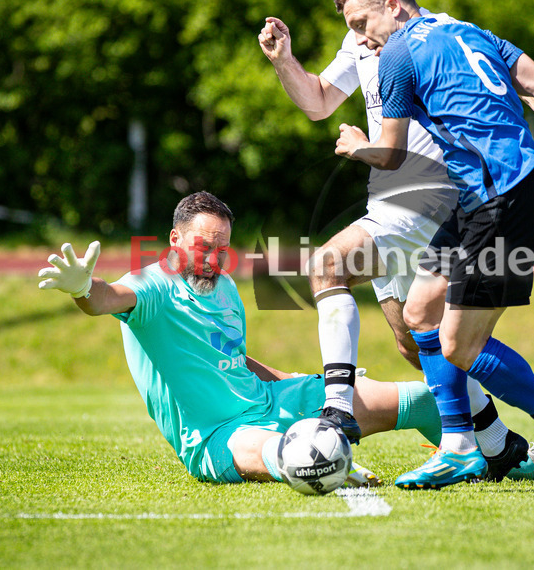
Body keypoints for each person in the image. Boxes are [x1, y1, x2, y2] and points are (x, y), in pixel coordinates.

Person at [258, 0, 534, 482]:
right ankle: (478, 443)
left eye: (362, 20)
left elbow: (389, 154)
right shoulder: (467, 33)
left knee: (451, 342)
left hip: (483, 197)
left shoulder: (397, 55)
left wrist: (355, 147)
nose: (361, 39)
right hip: (473, 199)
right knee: (418, 328)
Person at [36, 191, 444, 486]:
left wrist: (296, 381)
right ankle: (327, 464)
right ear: (174, 239)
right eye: (204, 248)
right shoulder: (150, 287)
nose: (214, 261)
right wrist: (82, 289)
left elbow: (234, 359)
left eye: (223, 250)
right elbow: (106, 299)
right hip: (221, 436)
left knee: (421, 400)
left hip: (273, 401)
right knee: (295, 456)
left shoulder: (226, 287)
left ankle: (490, 458)